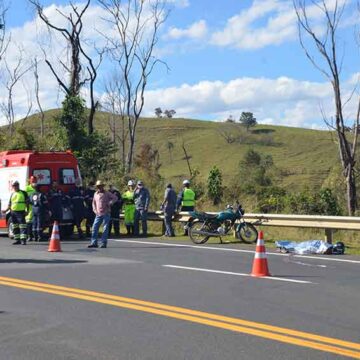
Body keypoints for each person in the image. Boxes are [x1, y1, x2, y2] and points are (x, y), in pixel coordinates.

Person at [88, 180, 118, 248]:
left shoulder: (107, 193)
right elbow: (93, 203)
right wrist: (94, 210)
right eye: (98, 186)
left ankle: (103, 243)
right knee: (94, 228)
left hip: (106, 213)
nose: (99, 187)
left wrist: (110, 202)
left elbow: (115, 198)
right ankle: (94, 242)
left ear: (103, 186)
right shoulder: (95, 194)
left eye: (101, 186)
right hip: (98, 214)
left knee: (105, 228)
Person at [2, 181, 29, 245]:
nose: (15, 187)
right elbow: (10, 204)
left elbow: (27, 203)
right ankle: (17, 240)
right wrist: (5, 211)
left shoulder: (23, 193)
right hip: (13, 212)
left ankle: (23, 240)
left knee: (22, 226)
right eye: (14, 186)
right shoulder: (12, 194)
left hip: (21, 212)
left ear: (18, 186)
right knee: (15, 226)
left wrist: (27, 211)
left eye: (16, 185)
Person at [25, 176, 37, 242]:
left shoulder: (37, 188)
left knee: (35, 222)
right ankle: (29, 236)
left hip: (36, 208)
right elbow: (25, 197)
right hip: (29, 207)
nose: (33, 181)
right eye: (32, 180)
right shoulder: (27, 188)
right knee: (28, 222)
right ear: (29, 180)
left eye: (34, 180)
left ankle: (34, 236)